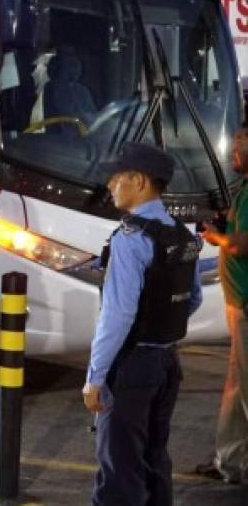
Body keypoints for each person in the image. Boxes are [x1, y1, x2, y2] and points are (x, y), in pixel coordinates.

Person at [82, 142, 202, 505]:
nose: (111, 185)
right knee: (154, 459)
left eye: (116, 178)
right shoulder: (182, 234)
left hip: (132, 366)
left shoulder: (130, 239)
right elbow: (192, 298)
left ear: (138, 181)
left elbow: (118, 315)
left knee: (119, 468)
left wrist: (95, 376)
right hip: (166, 364)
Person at [196, 124, 248, 484]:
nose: (234, 149)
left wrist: (215, 235)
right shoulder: (243, 189)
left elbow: (241, 244)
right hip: (238, 305)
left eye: (242, 144)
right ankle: (229, 462)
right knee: (236, 386)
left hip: (246, 306)